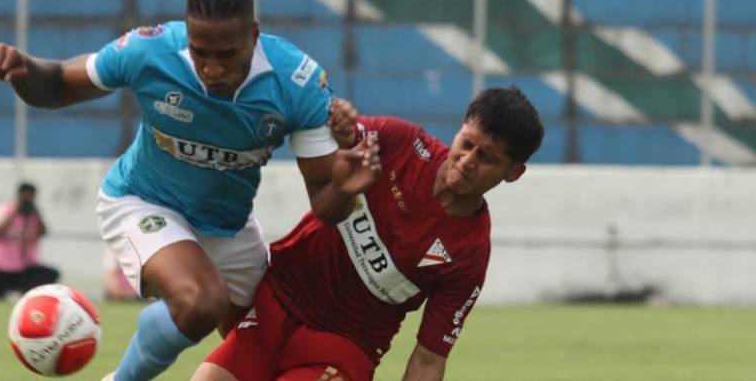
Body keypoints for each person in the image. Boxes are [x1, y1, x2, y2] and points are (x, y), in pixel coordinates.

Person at [0, 0, 370, 381]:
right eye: (201, 53)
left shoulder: (297, 84)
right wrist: (21, 70)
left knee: (268, 350)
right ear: (186, 33)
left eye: (227, 55)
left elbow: (327, 206)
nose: (212, 69)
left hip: (227, 227)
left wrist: (345, 189)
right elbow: (57, 82)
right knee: (199, 300)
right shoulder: (150, 51)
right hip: (143, 201)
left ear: (253, 36)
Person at [192, 86, 545, 381]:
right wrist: (339, 129)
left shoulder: (469, 255)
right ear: (459, 129)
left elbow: (428, 358)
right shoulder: (400, 143)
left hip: (342, 347)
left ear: (513, 173)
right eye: (467, 143)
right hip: (275, 304)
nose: (467, 162)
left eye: (487, 158)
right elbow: (332, 139)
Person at [0, 182, 59, 299]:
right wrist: (13, 214)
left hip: (23, 270)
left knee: (49, 273)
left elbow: (43, 232)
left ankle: (20, 294)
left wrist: (36, 215)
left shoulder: (34, 216)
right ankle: (4, 294)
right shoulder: (3, 210)